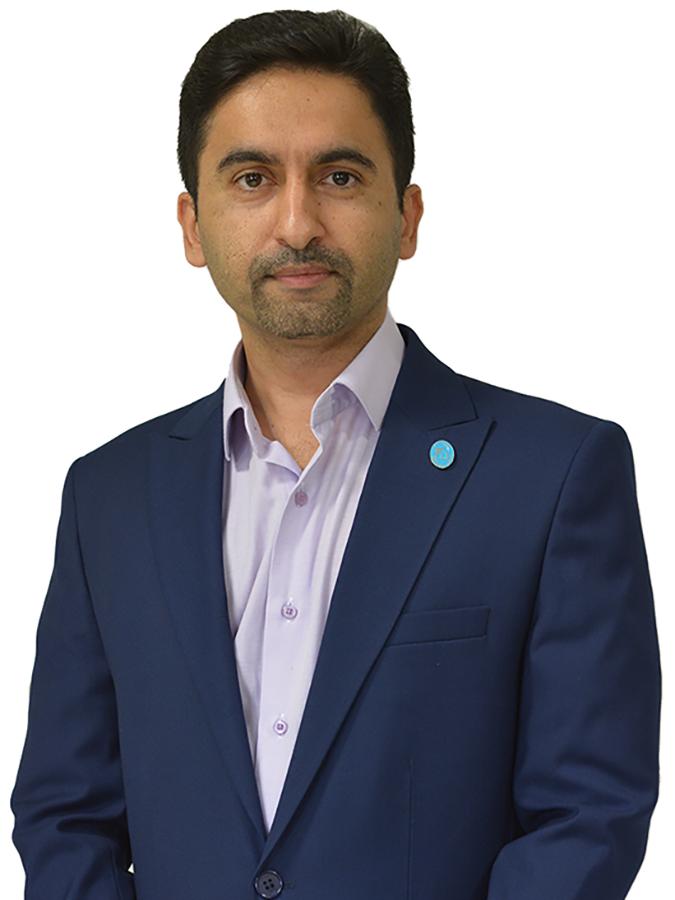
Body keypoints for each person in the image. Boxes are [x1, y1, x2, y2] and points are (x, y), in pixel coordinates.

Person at [11, 10, 660, 900]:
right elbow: (65, 815)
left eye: (339, 176)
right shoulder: (109, 495)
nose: (297, 222)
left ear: (407, 216)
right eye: (252, 178)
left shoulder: (553, 475)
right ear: (192, 226)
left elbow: (586, 815)